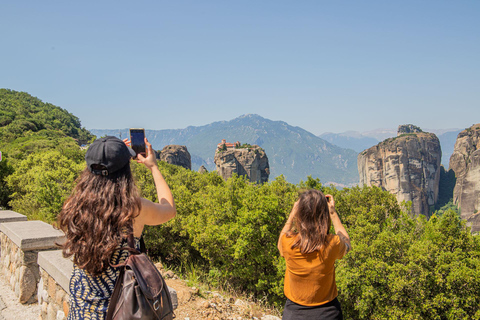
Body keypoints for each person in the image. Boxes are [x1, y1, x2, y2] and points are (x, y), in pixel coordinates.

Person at [58, 136, 176, 320]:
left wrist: (107, 155)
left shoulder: (73, 207)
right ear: (125, 172)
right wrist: (153, 166)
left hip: (82, 311)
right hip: (119, 312)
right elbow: (169, 209)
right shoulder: (133, 209)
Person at [278, 189, 351, 320]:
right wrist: (333, 213)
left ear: (300, 213)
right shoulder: (332, 243)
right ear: (324, 215)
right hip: (328, 313)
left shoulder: (288, 243)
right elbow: (347, 243)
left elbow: (280, 245)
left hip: (294, 314)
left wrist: (292, 214)